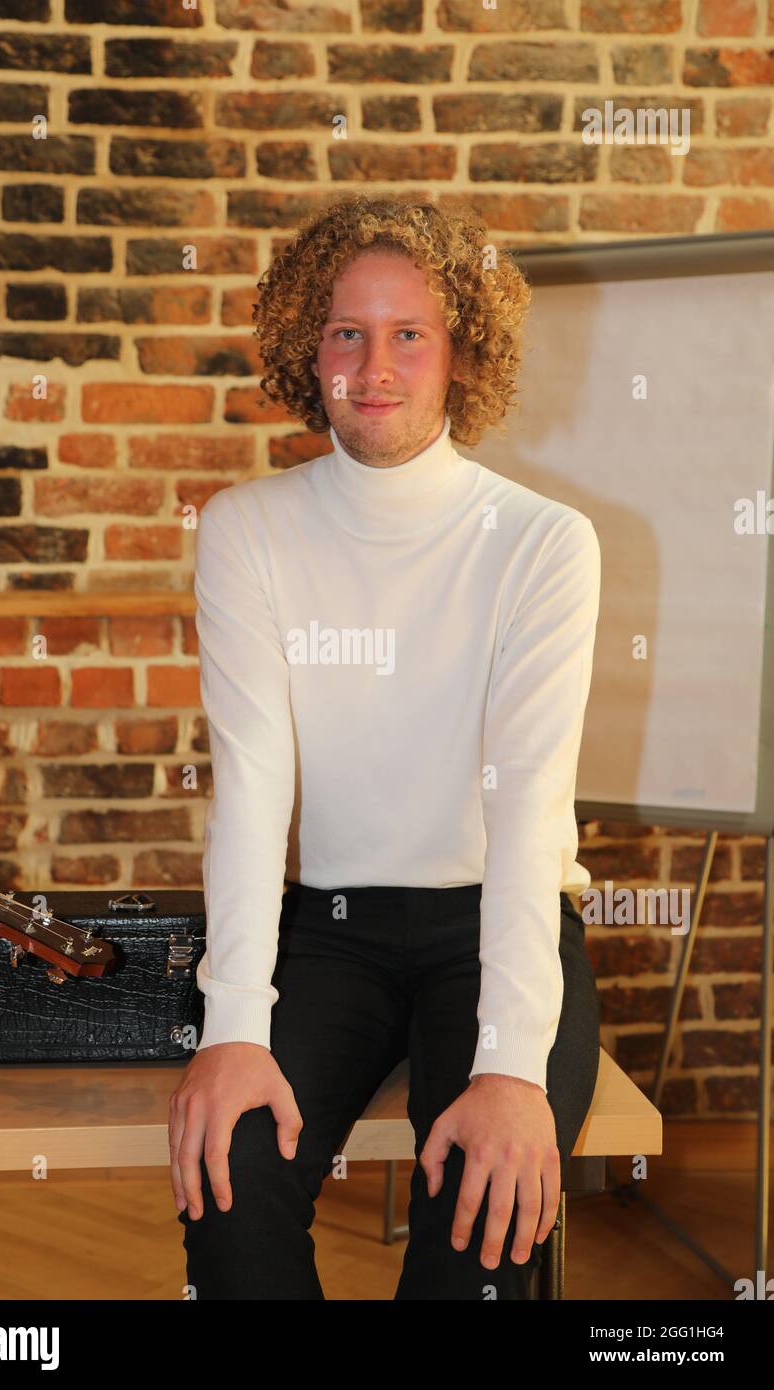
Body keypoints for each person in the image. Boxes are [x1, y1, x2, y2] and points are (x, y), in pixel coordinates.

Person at [169, 194, 602, 1300]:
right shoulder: (246, 529)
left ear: (460, 354)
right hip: (327, 927)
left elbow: (521, 810)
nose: (373, 364)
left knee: (482, 1234)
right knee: (232, 1183)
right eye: (345, 332)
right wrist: (229, 1026)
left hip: (492, 923)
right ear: (304, 350)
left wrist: (510, 1065)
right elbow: (254, 789)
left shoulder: (543, 544)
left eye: (408, 331)